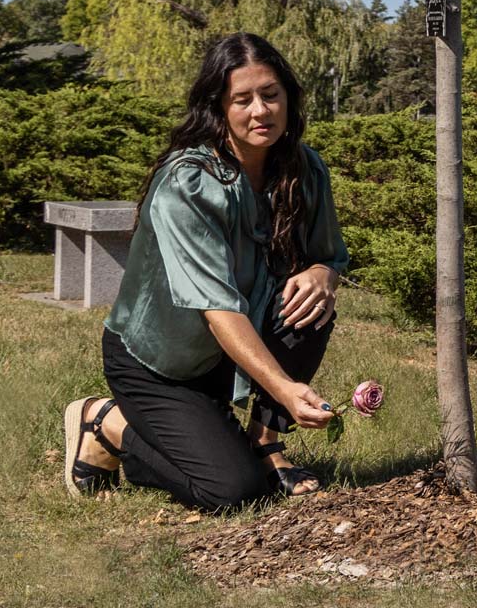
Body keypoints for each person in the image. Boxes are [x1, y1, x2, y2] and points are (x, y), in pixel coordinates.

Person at [61, 32, 349, 509]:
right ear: (219, 106)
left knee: (312, 302)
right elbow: (218, 309)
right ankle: (108, 423)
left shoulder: (305, 169)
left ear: (288, 99)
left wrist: (323, 273)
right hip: (161, 366)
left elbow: (328, 255)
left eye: (271, 95)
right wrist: (285, 389)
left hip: (226, 356)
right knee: (232, 491)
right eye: (243, 99)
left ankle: (265, 444)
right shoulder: (187, 184)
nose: (261, 111)